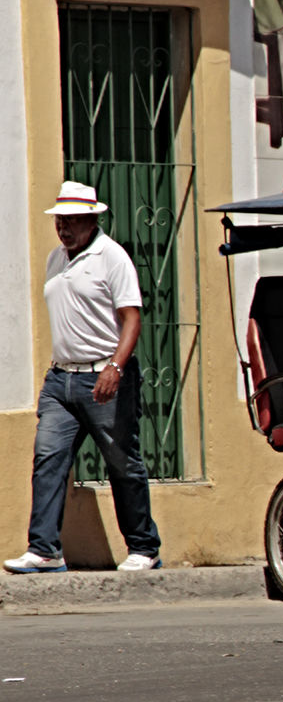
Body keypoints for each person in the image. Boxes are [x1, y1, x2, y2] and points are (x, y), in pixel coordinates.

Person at [7, 184, 164, 574]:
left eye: (73, 220)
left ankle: (145, 547)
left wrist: (115, 367)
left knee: (122, 462)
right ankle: (44, 550)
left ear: (93, 220)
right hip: (61, 380)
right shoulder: (55, 259)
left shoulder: (112, 258)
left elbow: (132, 318)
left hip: (103, 379)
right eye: (60, 220)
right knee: (48, 458)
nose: (64, 228)